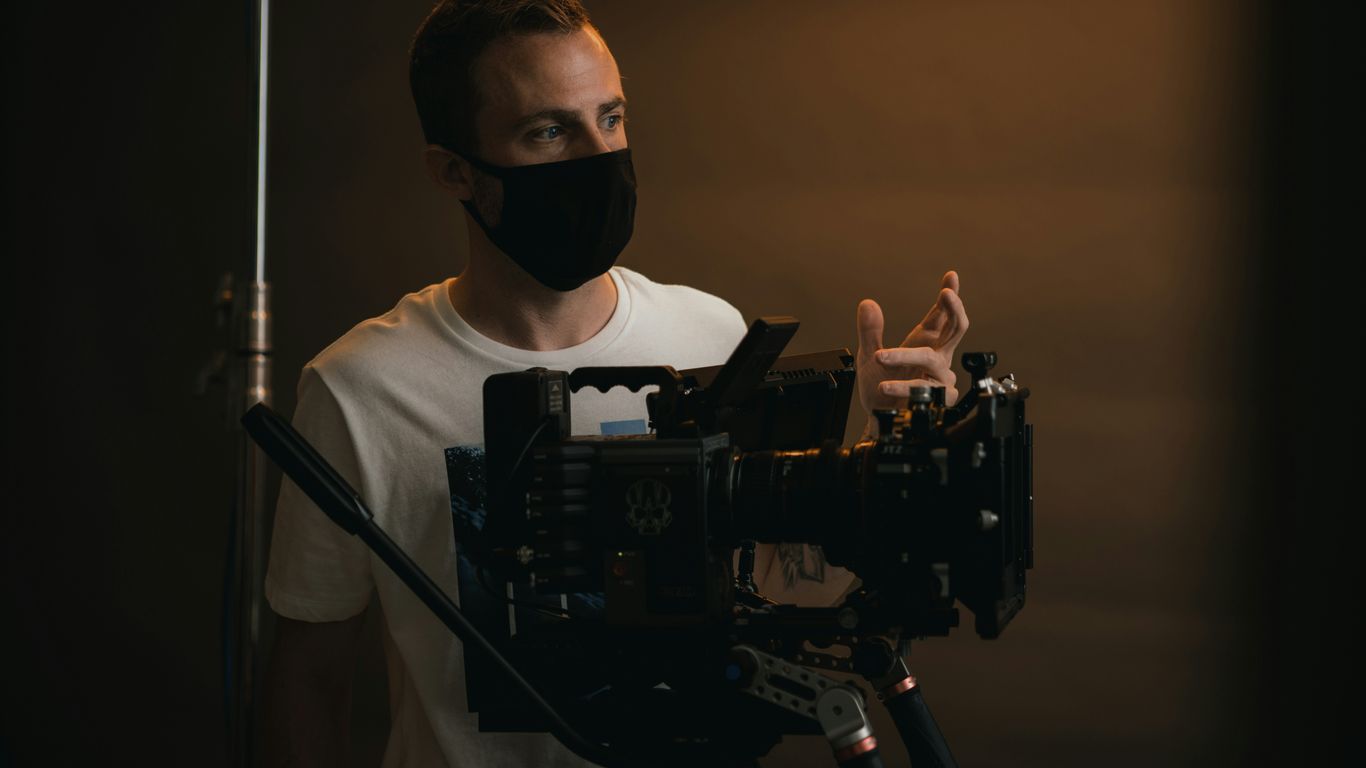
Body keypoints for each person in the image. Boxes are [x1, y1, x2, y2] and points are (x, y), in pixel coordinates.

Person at [262, 1, 970, 765]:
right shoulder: (358, 390)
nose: (598, 156)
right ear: (453, 171)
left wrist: (885, 448)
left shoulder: (714, 339)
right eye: (548, 131)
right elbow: (307, 675)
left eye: (611, 118)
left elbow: (786, 595)